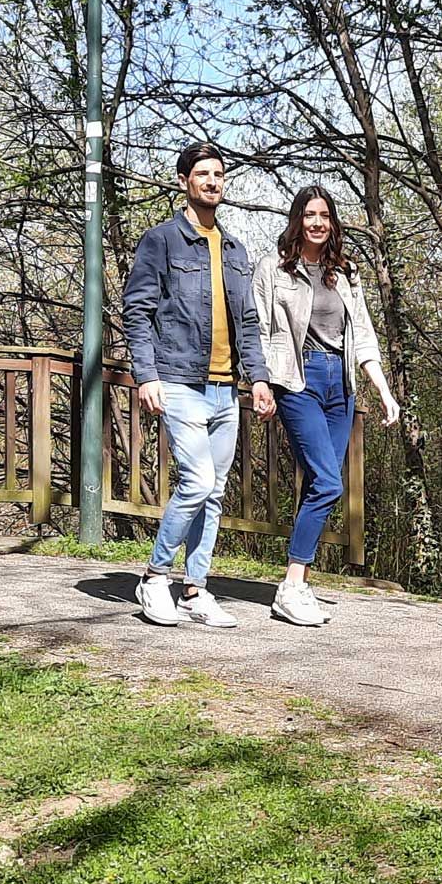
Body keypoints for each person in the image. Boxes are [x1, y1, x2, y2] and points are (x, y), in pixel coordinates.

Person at [121, 141, 273, 627]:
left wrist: (260, 379)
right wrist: (146, 376)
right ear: (186, 180)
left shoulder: (234, 249)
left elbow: (247, 320)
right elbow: (137, 311)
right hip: (179, 380)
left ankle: (196, 589)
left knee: (215, 490)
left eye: (219, 175)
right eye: (203, 174)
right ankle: (154, 576)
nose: (212, 182)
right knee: (198, 480)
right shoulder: (161, 240)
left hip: (227, 387)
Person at [251, 184, 400, 627]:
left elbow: (365, 338)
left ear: (333, 223)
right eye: (310, 214)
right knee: (328, 482)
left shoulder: (346, 272)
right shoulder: (273, 270)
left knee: (319, 485)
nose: (318, 222)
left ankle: (299, 582)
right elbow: (257, 329)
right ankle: (293, 585)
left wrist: (384, 392)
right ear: (298, 219)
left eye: (326, 216)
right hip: (298, 381)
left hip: (342, 385)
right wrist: (259, 383)